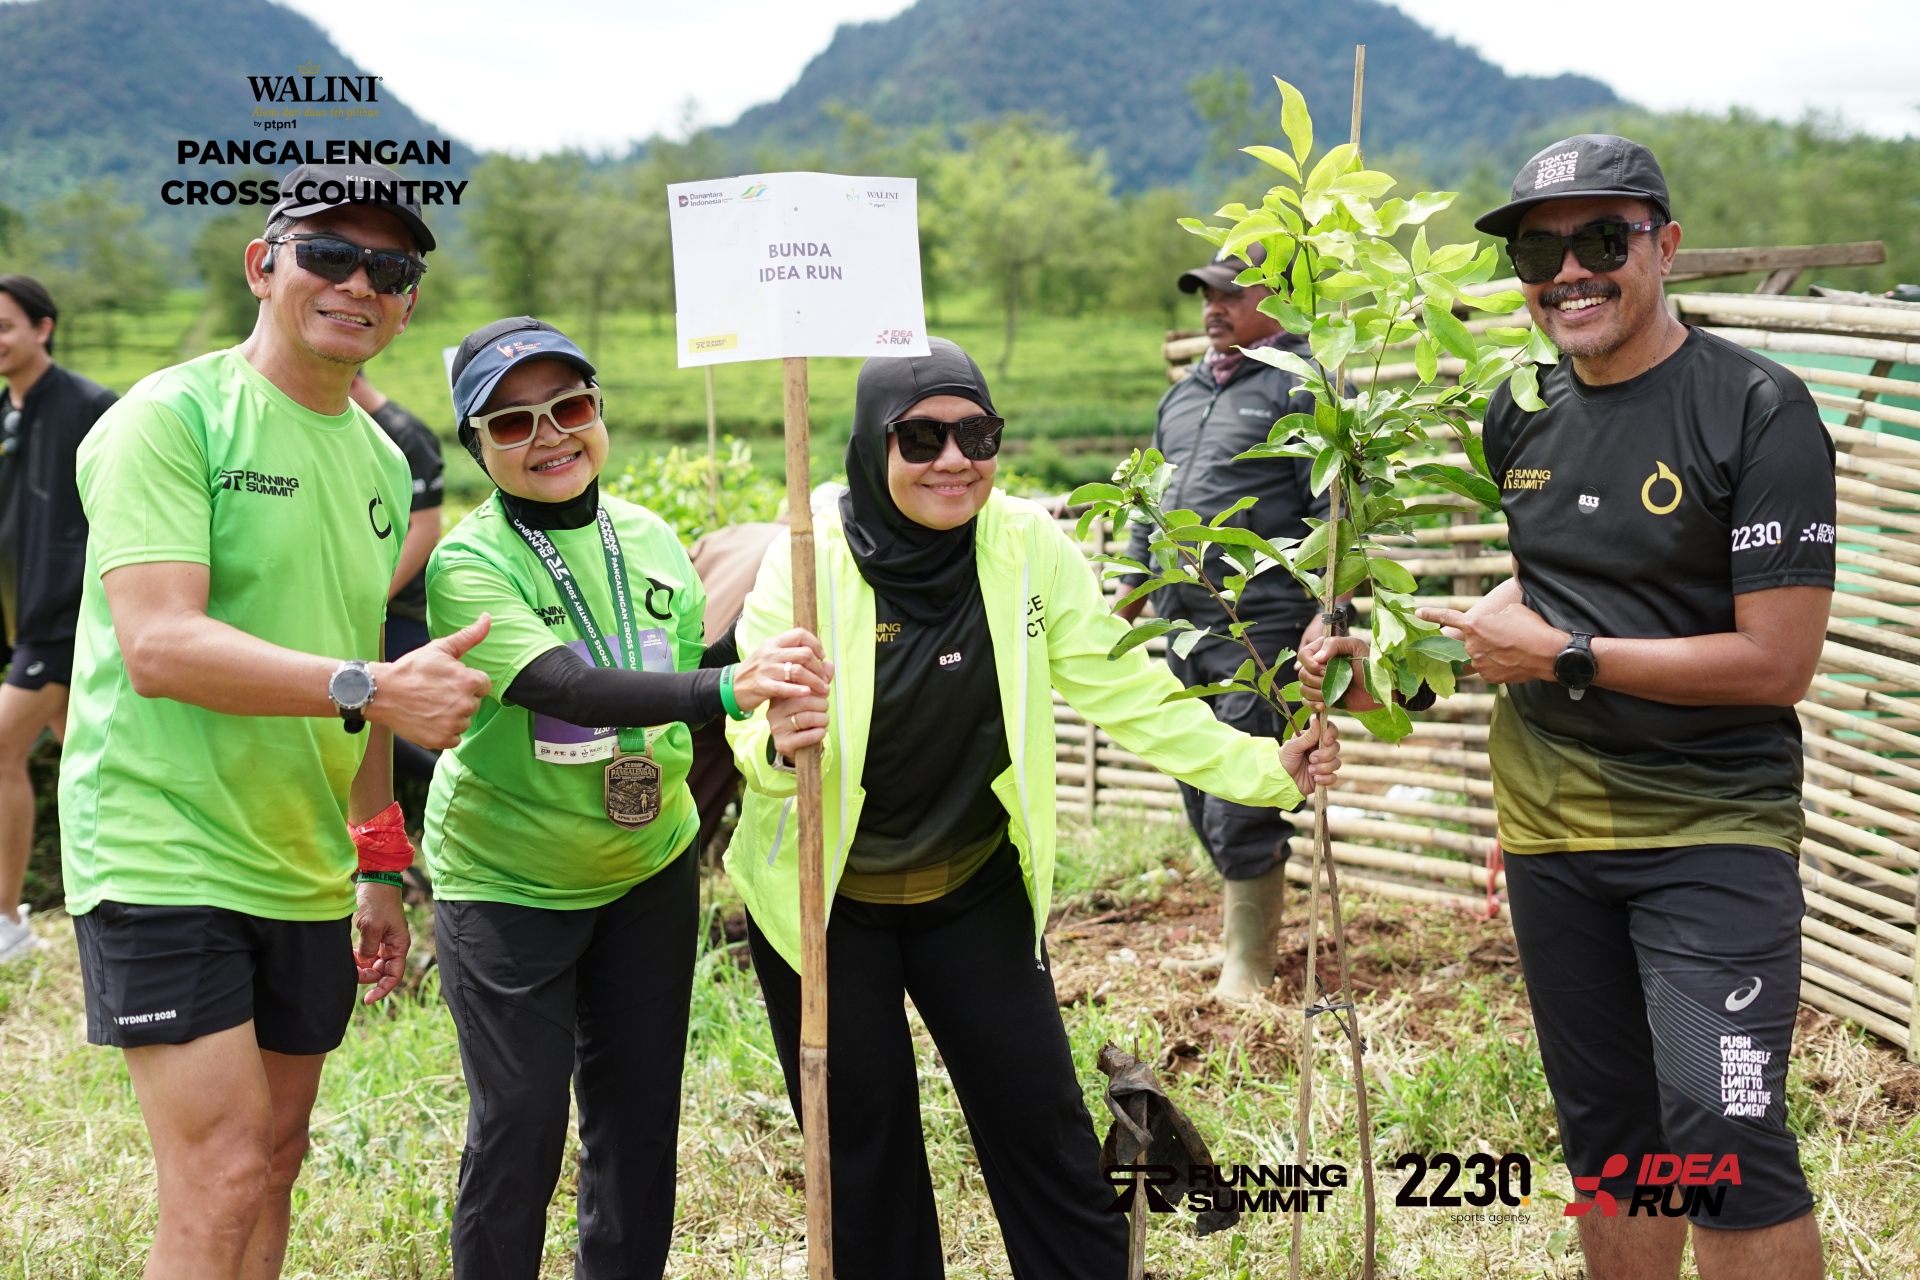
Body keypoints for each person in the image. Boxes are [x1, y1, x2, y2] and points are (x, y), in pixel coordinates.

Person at [1301, 135, 1831, 1279]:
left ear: (1665, 247)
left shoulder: (1756, 408)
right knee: (1615, 1143)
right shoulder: (1523, 412)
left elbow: (1776, 662)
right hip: (1555, 846)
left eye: (1601, 239)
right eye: (1540, 252)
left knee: (1725, 1141)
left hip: (1707, 838)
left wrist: (1571, 658)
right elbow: (1531, 614)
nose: (1570, 272)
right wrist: (1374, 666)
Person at [727, 338, 1342, 1280]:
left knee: (1043, 1128)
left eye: (977, 434)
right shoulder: (808, 560)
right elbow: (751, 720)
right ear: (871, 443)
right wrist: (777, 743)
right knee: (865, 1151)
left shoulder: (1022, 545)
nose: (954, 460)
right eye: (920, 439)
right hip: (824, 905)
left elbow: (1125, 687)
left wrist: (1268, 769)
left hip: (972, 886)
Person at [57, 163, 491, 1280]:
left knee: (275, 1159)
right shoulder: (169, 418)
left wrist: (378, 861)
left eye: (388, 268)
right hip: (161, 842)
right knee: (221, 1171)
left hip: (299, 861)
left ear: (408, 304)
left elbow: (357, 664)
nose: (359, 283)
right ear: (263, 266)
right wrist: (372, 685)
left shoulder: (382, 460)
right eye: (329, 254)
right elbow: (159, 644)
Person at [422, 317, 829, 1280]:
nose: (549, 436)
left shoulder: (646, 539)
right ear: (477, 446)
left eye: (569, 408)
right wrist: (729, 685)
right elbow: (564, 686)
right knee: (519, 1124)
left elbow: (673, 672)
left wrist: (765, 673)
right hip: (509, 879)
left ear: (598, 411)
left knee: (638, 1120)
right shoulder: (467, 565)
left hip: (648, 865)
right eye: (512, 423)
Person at [1116, 243, 1328, 1000]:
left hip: (1260, 627)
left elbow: (1333, 513)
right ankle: (1243, 938)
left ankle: (1249, 968)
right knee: (1197, 778)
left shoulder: (1301, 385)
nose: (1214, 308)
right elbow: (1148, 502)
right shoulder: (1183, 395)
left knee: (1245, 794)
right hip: (1184, 625)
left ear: (1276, 297)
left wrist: (1329, 613)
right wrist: (1129, 588)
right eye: (1207, 295)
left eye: (1231, 294)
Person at [0, 275, 115, 962]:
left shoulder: (91, 406)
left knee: (1, 749)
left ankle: (7, 921)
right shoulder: (8, 410)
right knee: (90, 768)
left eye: (5, 325)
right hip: (25, 617)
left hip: (66, 618)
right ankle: (108, 905)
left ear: (43, 328)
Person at [349, 369, 445, 785]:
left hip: (400, 608)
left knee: (386, 707)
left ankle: (435, 785)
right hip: (363, 602)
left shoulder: (405, 433)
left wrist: (374, 599)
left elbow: (425, 527)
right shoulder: (345, 428)